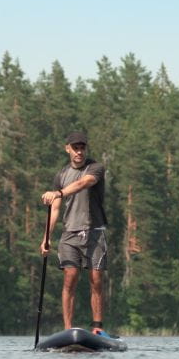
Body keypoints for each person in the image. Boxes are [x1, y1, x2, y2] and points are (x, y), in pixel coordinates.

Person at [40, 131, 110, 334]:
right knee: (70, 277)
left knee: (96, 279)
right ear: (67, 149)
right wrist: (46, 238)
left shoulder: (95, 168)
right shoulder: (61, 175)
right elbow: (55, 209)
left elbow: (82, 184)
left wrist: (59, 193)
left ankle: (97, 327)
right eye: (75, 148)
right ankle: (68, 329)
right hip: (69, 234)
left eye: (82, 148)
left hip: (94, 232)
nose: (79, 152)